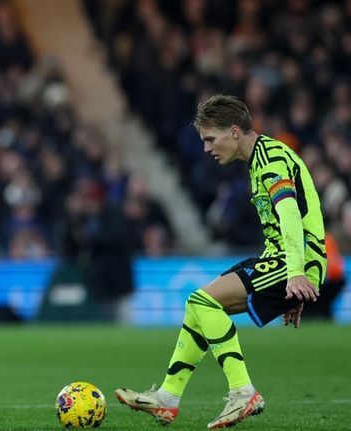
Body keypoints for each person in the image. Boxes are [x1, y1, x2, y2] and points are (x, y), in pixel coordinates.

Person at [113, 95, 326, 429]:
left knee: (203, 300)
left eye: (210, 139)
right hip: (284, 259)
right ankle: (168, 398)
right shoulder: (261, 159)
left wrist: (298, 273)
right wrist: (295, 283)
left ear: (235, 131)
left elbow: (289, 215)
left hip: (292, 258)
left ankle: (243, 392)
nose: (206, 149)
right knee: (198, 306)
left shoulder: (270, 161)